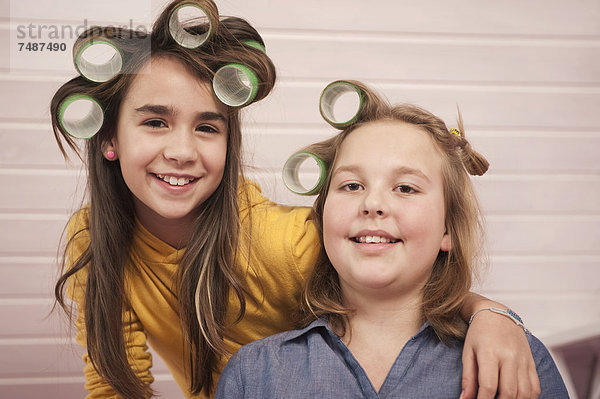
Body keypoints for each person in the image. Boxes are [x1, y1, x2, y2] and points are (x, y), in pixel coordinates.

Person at [51, 1, 542, 398]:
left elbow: (395, 283)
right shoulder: (91, 236)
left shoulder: (280, 241)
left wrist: (489, 313)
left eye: (207, 127)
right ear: (108, 138)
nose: (181, 151)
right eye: (155, 121)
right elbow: (115, 382)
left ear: (229, 145)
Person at [215, 81, 568, 398]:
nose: (372, 204)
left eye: (405, 188)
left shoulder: (513, 360)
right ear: (322, 219)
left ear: (448, 230)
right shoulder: (255, 374)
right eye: (352, 186)